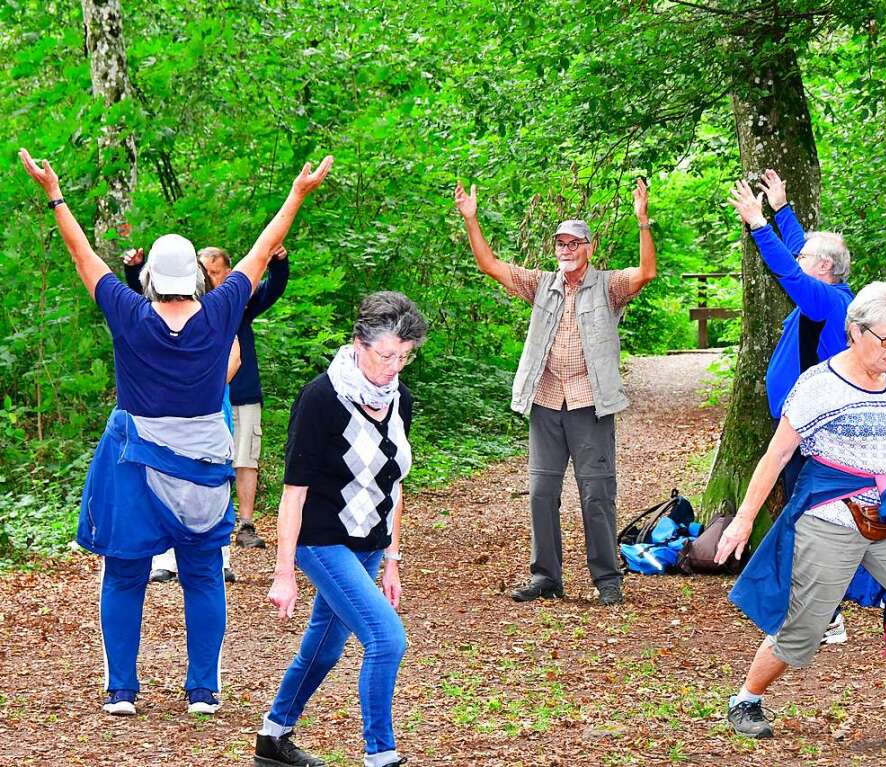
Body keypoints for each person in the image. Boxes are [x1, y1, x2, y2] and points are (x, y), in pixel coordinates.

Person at [19, 147, 333, 717]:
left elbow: (83, 255)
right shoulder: (220, 312)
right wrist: (297, 195)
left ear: (146, 279)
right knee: (203, 574)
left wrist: (55, 194)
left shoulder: (128, 313)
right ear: (193, 276)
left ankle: (121, 691)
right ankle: (203, 691)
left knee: (124, 574)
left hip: (135, 465)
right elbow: (262, 251)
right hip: (205, 468)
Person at [714, 282, 886, 749]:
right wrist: (744, 518)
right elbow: (777, 454)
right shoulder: (819, 385)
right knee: (806, 626)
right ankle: (745, 699)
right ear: (854, 331)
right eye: (884, 339)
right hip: (831, 519)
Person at [454, 179, 656, 606]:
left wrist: (643, 222)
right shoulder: (541, 283)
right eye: (559, 243)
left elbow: (646, 273)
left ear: (588, 247)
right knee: (542, 493)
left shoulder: (607, 285)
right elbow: (490, 265)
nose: (565, 250)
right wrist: (471, 219)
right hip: (546, 402)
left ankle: (607, 579)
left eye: (573, 243)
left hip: (590, 404)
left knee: (596, 493)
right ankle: (546, 576)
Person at [256, 292, 427, 767]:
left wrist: (392, 559)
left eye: (405, 356)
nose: (395, 366)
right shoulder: (320, 400)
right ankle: (381, 755)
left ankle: (273, 736)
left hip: (369, 543)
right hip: (321, 540)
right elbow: (293, 494)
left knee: (325, 647)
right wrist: (283, 572)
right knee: (386, 638)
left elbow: (394, 484)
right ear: (359, 344)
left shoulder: (399, 400)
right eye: (386, 354)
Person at [729, 170, 855, 645]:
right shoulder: (825, 291)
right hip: (801, 428)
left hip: (810, 433)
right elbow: (801, 254)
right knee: (811, 518)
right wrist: (782, 210)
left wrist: (761, 225)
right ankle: (825, 612)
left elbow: (788, 268)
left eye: (807, 259)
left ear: (822, 267)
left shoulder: (826, 299)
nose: (800, 259)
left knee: (812, 520)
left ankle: (826, 615)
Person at [123, 248, 243, 583]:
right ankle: (164, 558)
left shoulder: (218, 315)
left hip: (210, 413)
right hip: (162, 423)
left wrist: (199, 384)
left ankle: (218, 558)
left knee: (209, 483)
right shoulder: (153, 316)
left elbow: (235, 359)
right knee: (160, 482)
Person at [198, 244, 291, 550]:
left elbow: (272, 289)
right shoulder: (188, 308)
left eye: (215, 272)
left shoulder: (241, 304)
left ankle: (246, 525)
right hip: (206, 398)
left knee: (246, 458)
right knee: (207, 460)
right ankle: (208, 526)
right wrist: (134, 269)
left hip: (243, 393)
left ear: (228, 273)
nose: (210, 278)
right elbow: (145, 303)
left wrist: (278, 262)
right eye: (204, 271)